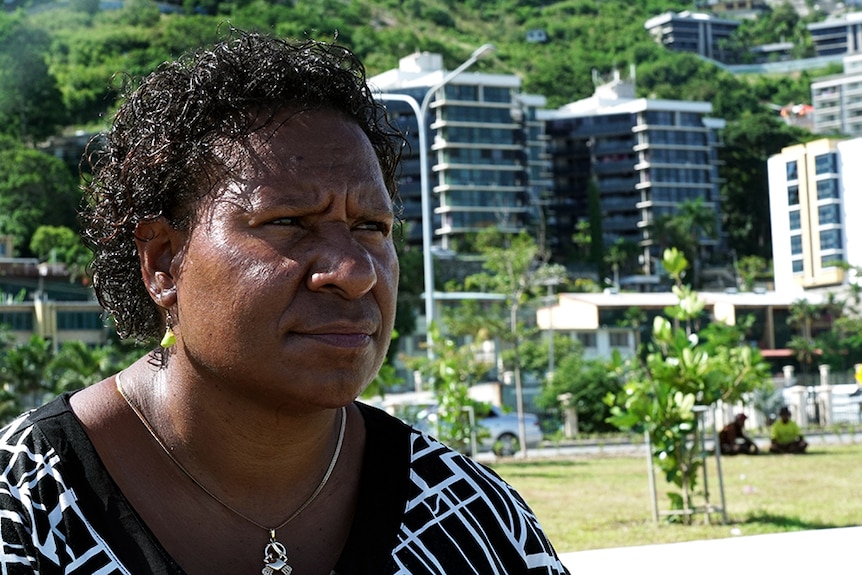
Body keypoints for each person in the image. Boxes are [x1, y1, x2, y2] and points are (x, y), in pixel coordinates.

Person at [0, 31, 570, 574]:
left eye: (371, 226)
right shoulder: (26, 509)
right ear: (163, 262)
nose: (352, 273)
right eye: (289, 222)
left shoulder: (469, 518)